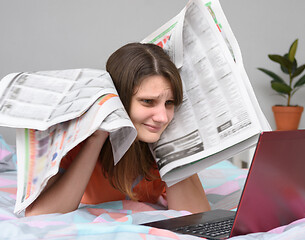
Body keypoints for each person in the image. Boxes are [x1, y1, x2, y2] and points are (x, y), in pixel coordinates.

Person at [25, 43, 210, 216]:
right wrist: (96, 139)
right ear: (119, 99)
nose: (162, 117)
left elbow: (196, 218)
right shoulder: (78, 143)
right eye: (147, 101)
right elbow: (39, 215)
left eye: (169, 103)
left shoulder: (156, 145)